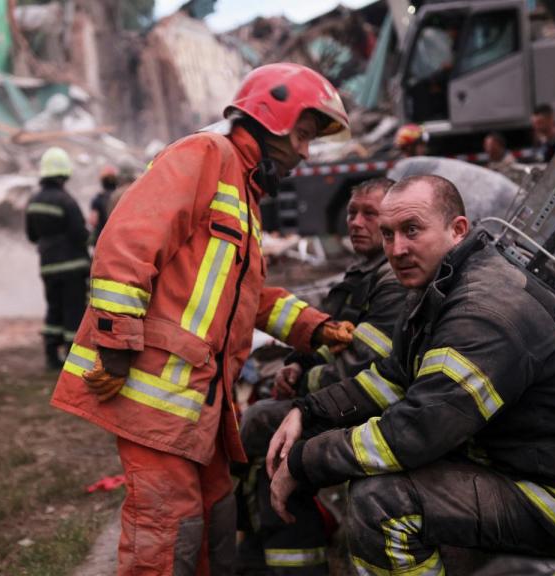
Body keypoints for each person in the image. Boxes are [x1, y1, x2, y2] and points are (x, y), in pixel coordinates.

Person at [50, 63, 356, 575]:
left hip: (200, 404)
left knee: (215, 522)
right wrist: (116, 345)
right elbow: (125, 246)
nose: (306, 151)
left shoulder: (244, 192)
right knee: (168, 534)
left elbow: (248, 296)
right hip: (157, 396)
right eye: (303, 135)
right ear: (272, 120)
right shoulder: (205, 155)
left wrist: (314, 327)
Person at [267, 174, 555, 575]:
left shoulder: (483, 309)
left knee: (382, 502)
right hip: (518, 472)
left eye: (412, 230)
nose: (396, 249)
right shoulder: (440, 287)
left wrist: (306, 460)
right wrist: (309, 412)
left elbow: (415, 433)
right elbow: (392, 380)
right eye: (388, 234)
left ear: (457, 229)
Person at [236, 177, 413, 574]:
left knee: (262, 425)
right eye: (352, 212)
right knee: (270, 445)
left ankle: (278, 555)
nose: (356, 222)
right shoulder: (361, 272)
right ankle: (270, 551)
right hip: (341, 401)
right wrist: (297, 363)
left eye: (370, 214)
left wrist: (301, 392)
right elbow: (333, 337)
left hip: (370, 409)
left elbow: (362, 365)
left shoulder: (392, 281)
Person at [25, 147, 90, 370]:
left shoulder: (34, 201)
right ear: (64, 174)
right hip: (72, 266)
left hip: (48, 266)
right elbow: (80, 235)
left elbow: (32, 236)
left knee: (54, 308)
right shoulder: (66, 201)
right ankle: (73, 358)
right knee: (73, 310)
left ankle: (51, 356)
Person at [89, 165, 119, 243]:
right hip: (117, 238)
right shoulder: (121, 196)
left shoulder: (98, 199)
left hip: (101, 238)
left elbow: (93, 221)